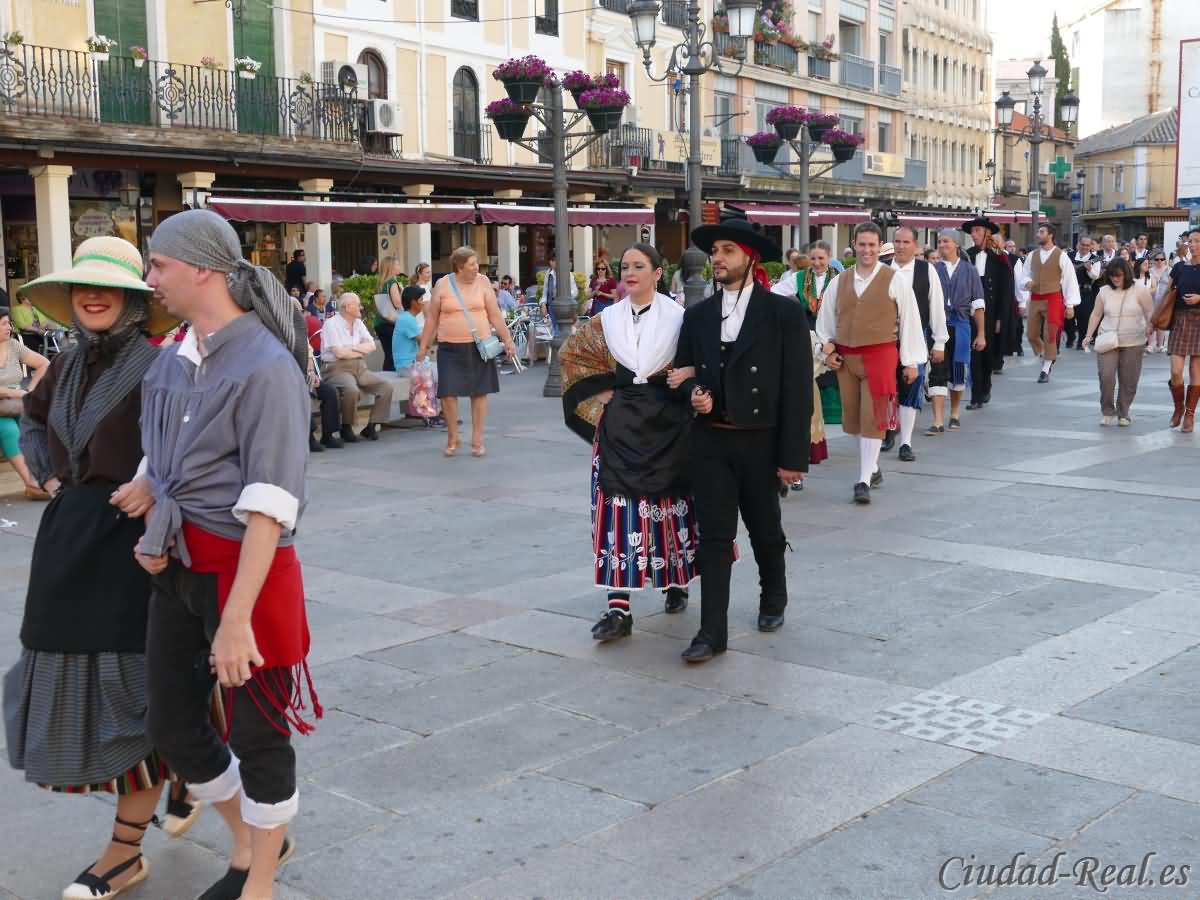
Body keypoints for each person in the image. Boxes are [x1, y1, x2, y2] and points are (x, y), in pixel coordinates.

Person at [131, 209, 316, 900]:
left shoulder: (267, 366)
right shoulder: (172, 356)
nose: (151, 279)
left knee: (258, 734)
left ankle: (257, 878)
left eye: (159, 265)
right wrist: (147, 490)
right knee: (172, 725)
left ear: (203, 269)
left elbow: (271, 502)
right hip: (178, 567)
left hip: (249, 576)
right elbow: (165, 450)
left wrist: (237, 620)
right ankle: (252, 838)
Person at [4, 236, 188, 899]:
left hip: (134, 545)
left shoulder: (163, 366)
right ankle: (190, 774)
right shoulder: (63, 365)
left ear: (135, 301)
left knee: (130, 691)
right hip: (68, 541)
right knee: (71, 672)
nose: (93, 295)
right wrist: (51, 478)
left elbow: (196, 445)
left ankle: (124, 852)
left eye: (109, 286)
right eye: (83, 285)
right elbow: (31, 420)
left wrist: (156, 482)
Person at [670, 213, 811, 662]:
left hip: (760, 440)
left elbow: (797, 391)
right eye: (714, 251)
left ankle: (774, 596)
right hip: (711, 441)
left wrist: (792, 458)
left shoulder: (784, 313)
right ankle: (711, 633)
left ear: (750, 258)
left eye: (727, 251)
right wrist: (695, 394)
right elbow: (683, 374)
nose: (717, 258)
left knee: (765, 530)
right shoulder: (697, 316)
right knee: (713, 538)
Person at [561, 244, 696, 643]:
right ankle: (618, 608)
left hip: (668, 422)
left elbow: (701, 362)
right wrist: (602, 393)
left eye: (639, 266)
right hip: (620, 425)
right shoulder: (607, 319)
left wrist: (688, 375)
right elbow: (574, 356)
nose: (630, 272)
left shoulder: (681, 319)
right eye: (625, 267)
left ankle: (675, 580)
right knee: (616, 514)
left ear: (658, 273)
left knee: (669, 508)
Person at [815, 223, 926, 504]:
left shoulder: (894, 279)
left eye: (872, 245)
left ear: (880, 247)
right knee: (853, 419)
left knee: (874, 417)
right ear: (854, 245)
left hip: (880, 356)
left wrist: (911, 361)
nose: (867, 250)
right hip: (846, 358)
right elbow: (825, 321)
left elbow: (910, 321)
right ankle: (873, 468)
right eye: (862, 244)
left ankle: (863, 480)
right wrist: (826, 349)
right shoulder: (839, 281)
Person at [416, 246, 517, 458]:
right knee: (447, 393)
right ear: (460, 267)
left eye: (476, 263)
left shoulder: (483, 282)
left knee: (479, 392)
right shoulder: (443, 284)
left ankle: (477, 439)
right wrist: (423, 347)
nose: (476, 267)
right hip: (449, 347)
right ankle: (453, 437)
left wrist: (508, 340)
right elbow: (432, 318)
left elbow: (495, 315)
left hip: (478, 346)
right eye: (472, 264)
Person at [771, 239, 837, 476]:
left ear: (829, 257)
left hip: (831, 335)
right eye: (813, 258)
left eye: (821, 258)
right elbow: (774, 293)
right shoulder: (799, 278)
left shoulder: (838, 279)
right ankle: (806, 444)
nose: (817, 263)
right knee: (806, 388)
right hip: (807, 334)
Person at [885, 225, 948, 462]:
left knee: (911, 386)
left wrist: (939, 342)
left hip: (915, 337)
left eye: (906, 242)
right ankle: (888, 431)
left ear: (915, 245)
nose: (901, 246)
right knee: (886, 387)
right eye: (897, 242)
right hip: (885, 339)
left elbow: (936, 306)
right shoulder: (883, 269)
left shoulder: (926, 270)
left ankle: (906, 442)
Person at [1081, 258, 1155, 427]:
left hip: (1134, 340)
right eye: (1112, 275)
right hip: (1108, 340)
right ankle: (1107, 411)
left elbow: (1150, 311)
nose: (1115, 279)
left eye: (1119, 275)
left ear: (1126, 274)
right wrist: (1088, 335)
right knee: (1106, 376)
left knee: (1129, 380)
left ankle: (1124, 412)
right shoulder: (1104, 291)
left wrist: (1150, 326)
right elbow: (1096, 314)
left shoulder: (1140, 290)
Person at [926, 229, 985, 435]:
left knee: (959, 369)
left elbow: (978, 304)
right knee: (937, 370)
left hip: (961, 325)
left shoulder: (970, 270)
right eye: (940, 241)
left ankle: (955, 413)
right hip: (937, 325)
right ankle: (937, 420)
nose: (941, 245)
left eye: (946, 241)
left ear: (956, 244)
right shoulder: (933, 269)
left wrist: (981, 334)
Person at [321, 292, 394, 442]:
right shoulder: (331, 324)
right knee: (351, 390)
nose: (361, 307)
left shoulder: (358, 323)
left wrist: (351, 349)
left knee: (386, 387)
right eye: (358, 304)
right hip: (336, 368)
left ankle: (371, 426)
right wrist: (360, 349)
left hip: (360, 367)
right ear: (347, 307)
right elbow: (339, 353)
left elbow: (372, 345)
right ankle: (346, 427)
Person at [962, 216, 1014, 409]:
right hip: (970, 311)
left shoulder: (999, 257)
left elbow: (1005, 291)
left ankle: (986, 386)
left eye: (977, 230)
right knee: (974, 354)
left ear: (987, 233)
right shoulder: (966, 256)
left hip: (991, 312)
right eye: (972, 231)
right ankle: (976, 395)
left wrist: (1001, 317)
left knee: (987, 354)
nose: (973, 234)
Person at [0, 306, 50, 496]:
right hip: (7, 402)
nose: (9, 327)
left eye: (9, 323)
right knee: (9, 429)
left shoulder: (13, 345)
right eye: (3, 324)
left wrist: (30, 390)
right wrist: (16, 393)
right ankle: (31, 482)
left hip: (15, 404)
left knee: (30, 425)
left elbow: (44, 364)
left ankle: (42, 475)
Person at [1022, 223, 1081, 383]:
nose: (1037, 234)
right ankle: (1045, 353)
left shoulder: (1061, 256)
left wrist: (1070, 305)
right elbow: (1025, 274)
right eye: (1038, 232)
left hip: (1053, 298)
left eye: (1041, 232)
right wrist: (1026, 282)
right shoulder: (1032, 255)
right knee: (1031, 334)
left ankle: (1046, 368)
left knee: (1050, 334)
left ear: (1050, 235)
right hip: (1035, 297)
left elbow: (1069, 280)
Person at [1161, 230, 1200, 432]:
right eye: (1190, 241)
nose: (1192, 244)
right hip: (1180, 320)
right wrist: (1154, 320)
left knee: (1195, 370)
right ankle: (1178, 408)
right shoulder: (1179, 267)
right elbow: (1167, 293)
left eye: (1197, 241)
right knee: (1176, 371)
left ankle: (1189, 415)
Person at [372, 257, 404, 372]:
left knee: (388, 354)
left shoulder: (382, 283)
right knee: (393, 355)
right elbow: (398, 303)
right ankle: (390, 378)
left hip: (380, 322)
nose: (399, 267)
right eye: (397, 264)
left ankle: (386, 376)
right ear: (391, 267)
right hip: (390, 323)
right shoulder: (392, 282)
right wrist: (403, 291)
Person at [391, 286, 425, 376]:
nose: (423, 303)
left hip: (409, 365)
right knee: (439, 373)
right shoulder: (407, 319)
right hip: (406, 367)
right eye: (421, 300)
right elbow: (425, 342)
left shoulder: (406, 316)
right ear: (414, 302)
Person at [1149, 250, 1172, 352]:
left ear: (1165, 260)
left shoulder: (1169, 270)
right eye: (1157, 259)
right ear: (1154, 260)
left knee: (1161, 322)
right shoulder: (1150, 271)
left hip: (1164, 300)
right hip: (1151, 299)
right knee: (1151, 321)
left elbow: (1173, 285)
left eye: (1161, 259)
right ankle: (1151, 344)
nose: (1159, 261)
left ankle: (1160, 344)